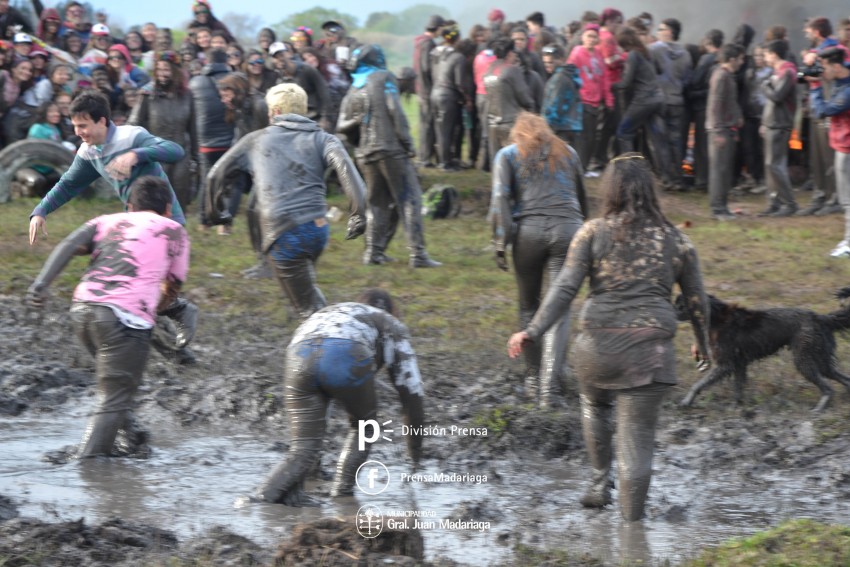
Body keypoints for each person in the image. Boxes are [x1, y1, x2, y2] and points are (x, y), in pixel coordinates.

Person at [507, 152, 710, 521]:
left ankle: (600, 483)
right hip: (650, 352)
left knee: (594, 405)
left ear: (610, 189)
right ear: (650, 188)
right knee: (637, 438)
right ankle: (632, 532)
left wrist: (532, 330)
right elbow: (696, 302)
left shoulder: (592, 231)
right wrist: (704, 342)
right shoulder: (676, 239)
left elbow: (565, 287)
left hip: (597, 346)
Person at [25, 176, 190, 458]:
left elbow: (67, 245)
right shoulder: (173, 229)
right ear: (167, 208)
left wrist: (41, 284)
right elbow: (173, 283)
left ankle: (131, 437)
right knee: (115, 395)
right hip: (125, 319)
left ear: (129, 206)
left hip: (83, 310)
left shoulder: (105, 221)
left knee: (113, 387)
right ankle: (90, 463)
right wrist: (158, 309)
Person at [205, 83, 367, 319]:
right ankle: (336, 333)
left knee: (307, 310)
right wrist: (358, 215)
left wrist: (216, 214)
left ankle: (337, 343)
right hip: (318, 228)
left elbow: (214, 176)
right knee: (308, 292)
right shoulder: (324, 138)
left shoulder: (255, 139)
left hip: (283, 233)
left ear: (276, 111)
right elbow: (352, 179)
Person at [257, 289, 424, 506]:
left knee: (303, 447)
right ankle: (342, 495)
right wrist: (415, 458)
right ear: (394, 311)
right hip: (345, 353)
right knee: (365, 427)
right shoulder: (392, 325)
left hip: (299, 354)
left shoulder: (337, 313)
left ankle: (260, 499)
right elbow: (413, 396)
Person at [492, 112, 587, 407]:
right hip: (569, 230)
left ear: (517, 134)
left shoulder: (507, 154)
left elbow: (500, 199)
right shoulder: (567, 152)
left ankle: (534, 377)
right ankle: (551, 389)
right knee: (559, 307)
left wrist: (500, 241)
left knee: (528, 305)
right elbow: (582, 199)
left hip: (528, 234)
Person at [337, 44, 442, 268]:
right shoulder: (384, 78)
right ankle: (418, 254)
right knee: (409, 199)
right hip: (390, 149)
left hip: (365, 154)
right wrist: (407, 142)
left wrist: (358, 124)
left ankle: (373, 253)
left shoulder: (354, 87)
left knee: (377, 203)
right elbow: (395, 109)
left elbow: (341, 127)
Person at [129, 51, 198, 210]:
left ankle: (177, 231)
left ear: (175, 71)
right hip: (156, 153)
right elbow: (134, 123)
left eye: (166, 70)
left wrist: (196, 158)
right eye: (159, 70)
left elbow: (194, 130)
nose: (162, 74)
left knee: (180, 198)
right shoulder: (147, 94)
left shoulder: (187, 96)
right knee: (154, 200)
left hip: (182, 154)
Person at [809, 47, 850, 258]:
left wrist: (815, 85)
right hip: (843, 145)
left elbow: (821, 111)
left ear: (836, 66)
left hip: (847, 149)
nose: (822, 72)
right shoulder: (843, 76)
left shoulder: (847, 91)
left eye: (824, 68)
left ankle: (849, 244)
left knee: (848, 199)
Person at [757, 40, 798, 217]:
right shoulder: (778, 72)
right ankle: (774, 202)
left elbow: (777, 96)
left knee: (775, 165)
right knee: (769, 165)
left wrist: (765, 85)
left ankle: (790, 204)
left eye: (766, 54)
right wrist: (764, 123)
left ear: (774, 54)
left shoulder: (788, 71)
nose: (764, 58)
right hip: (772, 123)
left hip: (780, 124)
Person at [705, 44, 744, 221]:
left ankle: (722, 206)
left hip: (727, 128)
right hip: (720, 131)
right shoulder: (721, 76)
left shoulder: (727, 76)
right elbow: (716, 106)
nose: (742, 62)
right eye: (740, 58)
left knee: (724, 170)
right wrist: (719, 131)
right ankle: (717, 209)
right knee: (719, 171)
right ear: (732, 59)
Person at [567, 23, 609, 173]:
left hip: (596, 101)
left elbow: (604, 78)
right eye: (588, 36)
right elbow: (570, 74)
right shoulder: (577, 53)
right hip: (582, 100)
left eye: (594, 36)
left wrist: (608, 98)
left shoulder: (598, 54)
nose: (591, 39)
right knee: (584, 137)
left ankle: (582, 167)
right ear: (583, 37)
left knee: (591, 137)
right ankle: (579, 168)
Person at [413, 14, 445, 168]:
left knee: (425, 123)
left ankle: (424, 156)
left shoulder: (420, 42)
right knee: (427, 125)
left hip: (420, 88)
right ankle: (424, 159)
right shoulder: (429, 44)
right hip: (427, 90)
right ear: (438, 28)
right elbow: (426, 67)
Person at [541, 43, 583, 153]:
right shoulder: (569, 74)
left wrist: (545, 128)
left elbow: (554, 107)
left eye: (551, 62)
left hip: (560, 129)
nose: (547, 66)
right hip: (572, 127)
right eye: (545, 63)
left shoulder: (559, 78)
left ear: (561, 59)